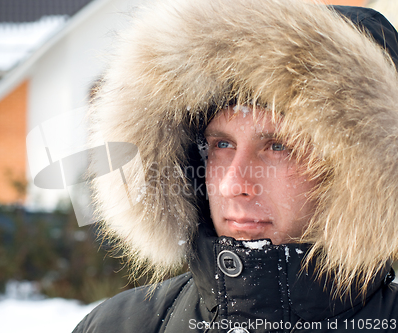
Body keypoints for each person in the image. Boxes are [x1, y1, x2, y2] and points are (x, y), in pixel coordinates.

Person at [74, 0, 398, 332]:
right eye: (222, 145)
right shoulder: (115, 325)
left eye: (278, 147)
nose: (233, 184)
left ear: (357, 175)